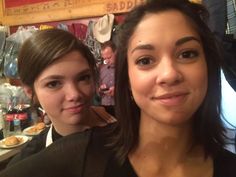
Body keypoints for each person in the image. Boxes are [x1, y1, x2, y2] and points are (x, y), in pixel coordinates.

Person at [1, 1, 236, 177]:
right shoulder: (81, 154)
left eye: (187, 54)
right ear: (127, 78)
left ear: (209, 65)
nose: (169, 74)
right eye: (145, 60)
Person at [6, 28, 115, 167]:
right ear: (29, 91)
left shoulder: (129, 121)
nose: (74, 94)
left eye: (83, 78)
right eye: (53, 84)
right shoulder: (27, 166)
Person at [98, 41, 116, 116]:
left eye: (109, 57)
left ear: (116, 52)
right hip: (105, 106)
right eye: (105, 59)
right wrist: (100, 89)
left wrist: (118, 90)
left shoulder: (125, 68)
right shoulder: (101, 69)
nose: (107, 61)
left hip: (122, 105)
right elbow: (97, 89)